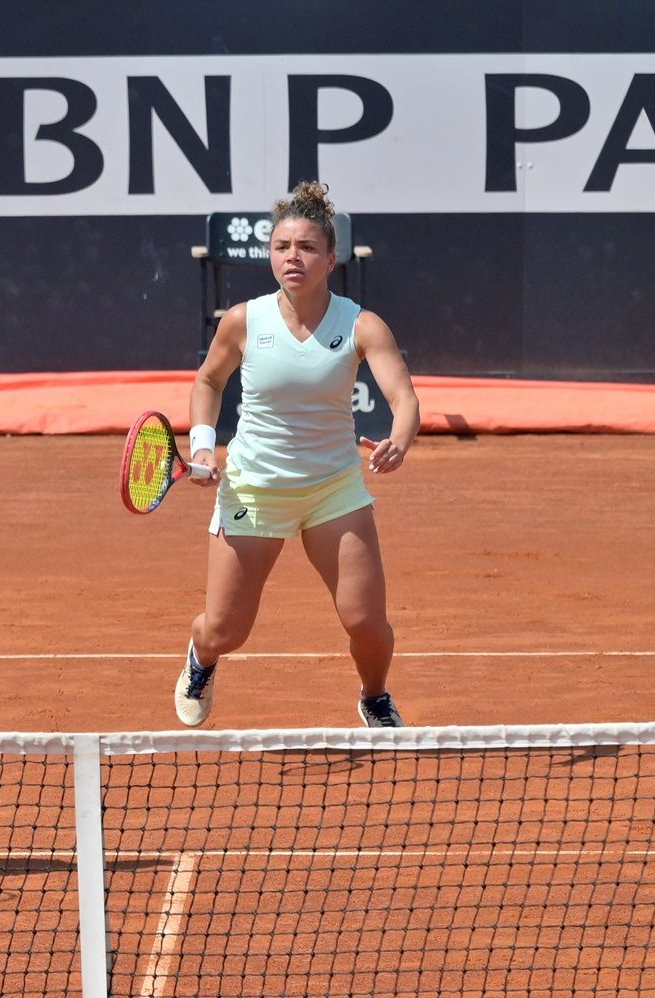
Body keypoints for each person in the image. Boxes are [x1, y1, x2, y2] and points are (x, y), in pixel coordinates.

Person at [176, 181, 419, 730]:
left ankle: (374, 695)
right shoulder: (243, 320)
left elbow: (404, 397)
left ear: (330, 258)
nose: (293, 257)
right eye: (283, 247)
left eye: (307, 247)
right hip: (254, 488)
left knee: (367, 622)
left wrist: (398, 440)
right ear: (270, 255)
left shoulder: (362, 325)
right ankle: (202, 656)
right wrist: (201, 444)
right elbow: (209, 380)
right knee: (225, 630)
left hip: (333, 487)